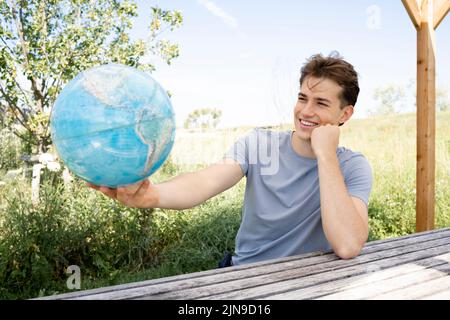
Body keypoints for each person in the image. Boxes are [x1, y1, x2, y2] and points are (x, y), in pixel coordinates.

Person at [88, 52, 373, 267]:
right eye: (302, 98)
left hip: (310, 282)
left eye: (321, 103)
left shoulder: (352, 166)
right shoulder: (260, 144)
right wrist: (153, 195)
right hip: (245, 277)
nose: (305, 111)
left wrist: (325, 155)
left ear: (344, 115)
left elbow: (348, 244)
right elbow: (205, 180)